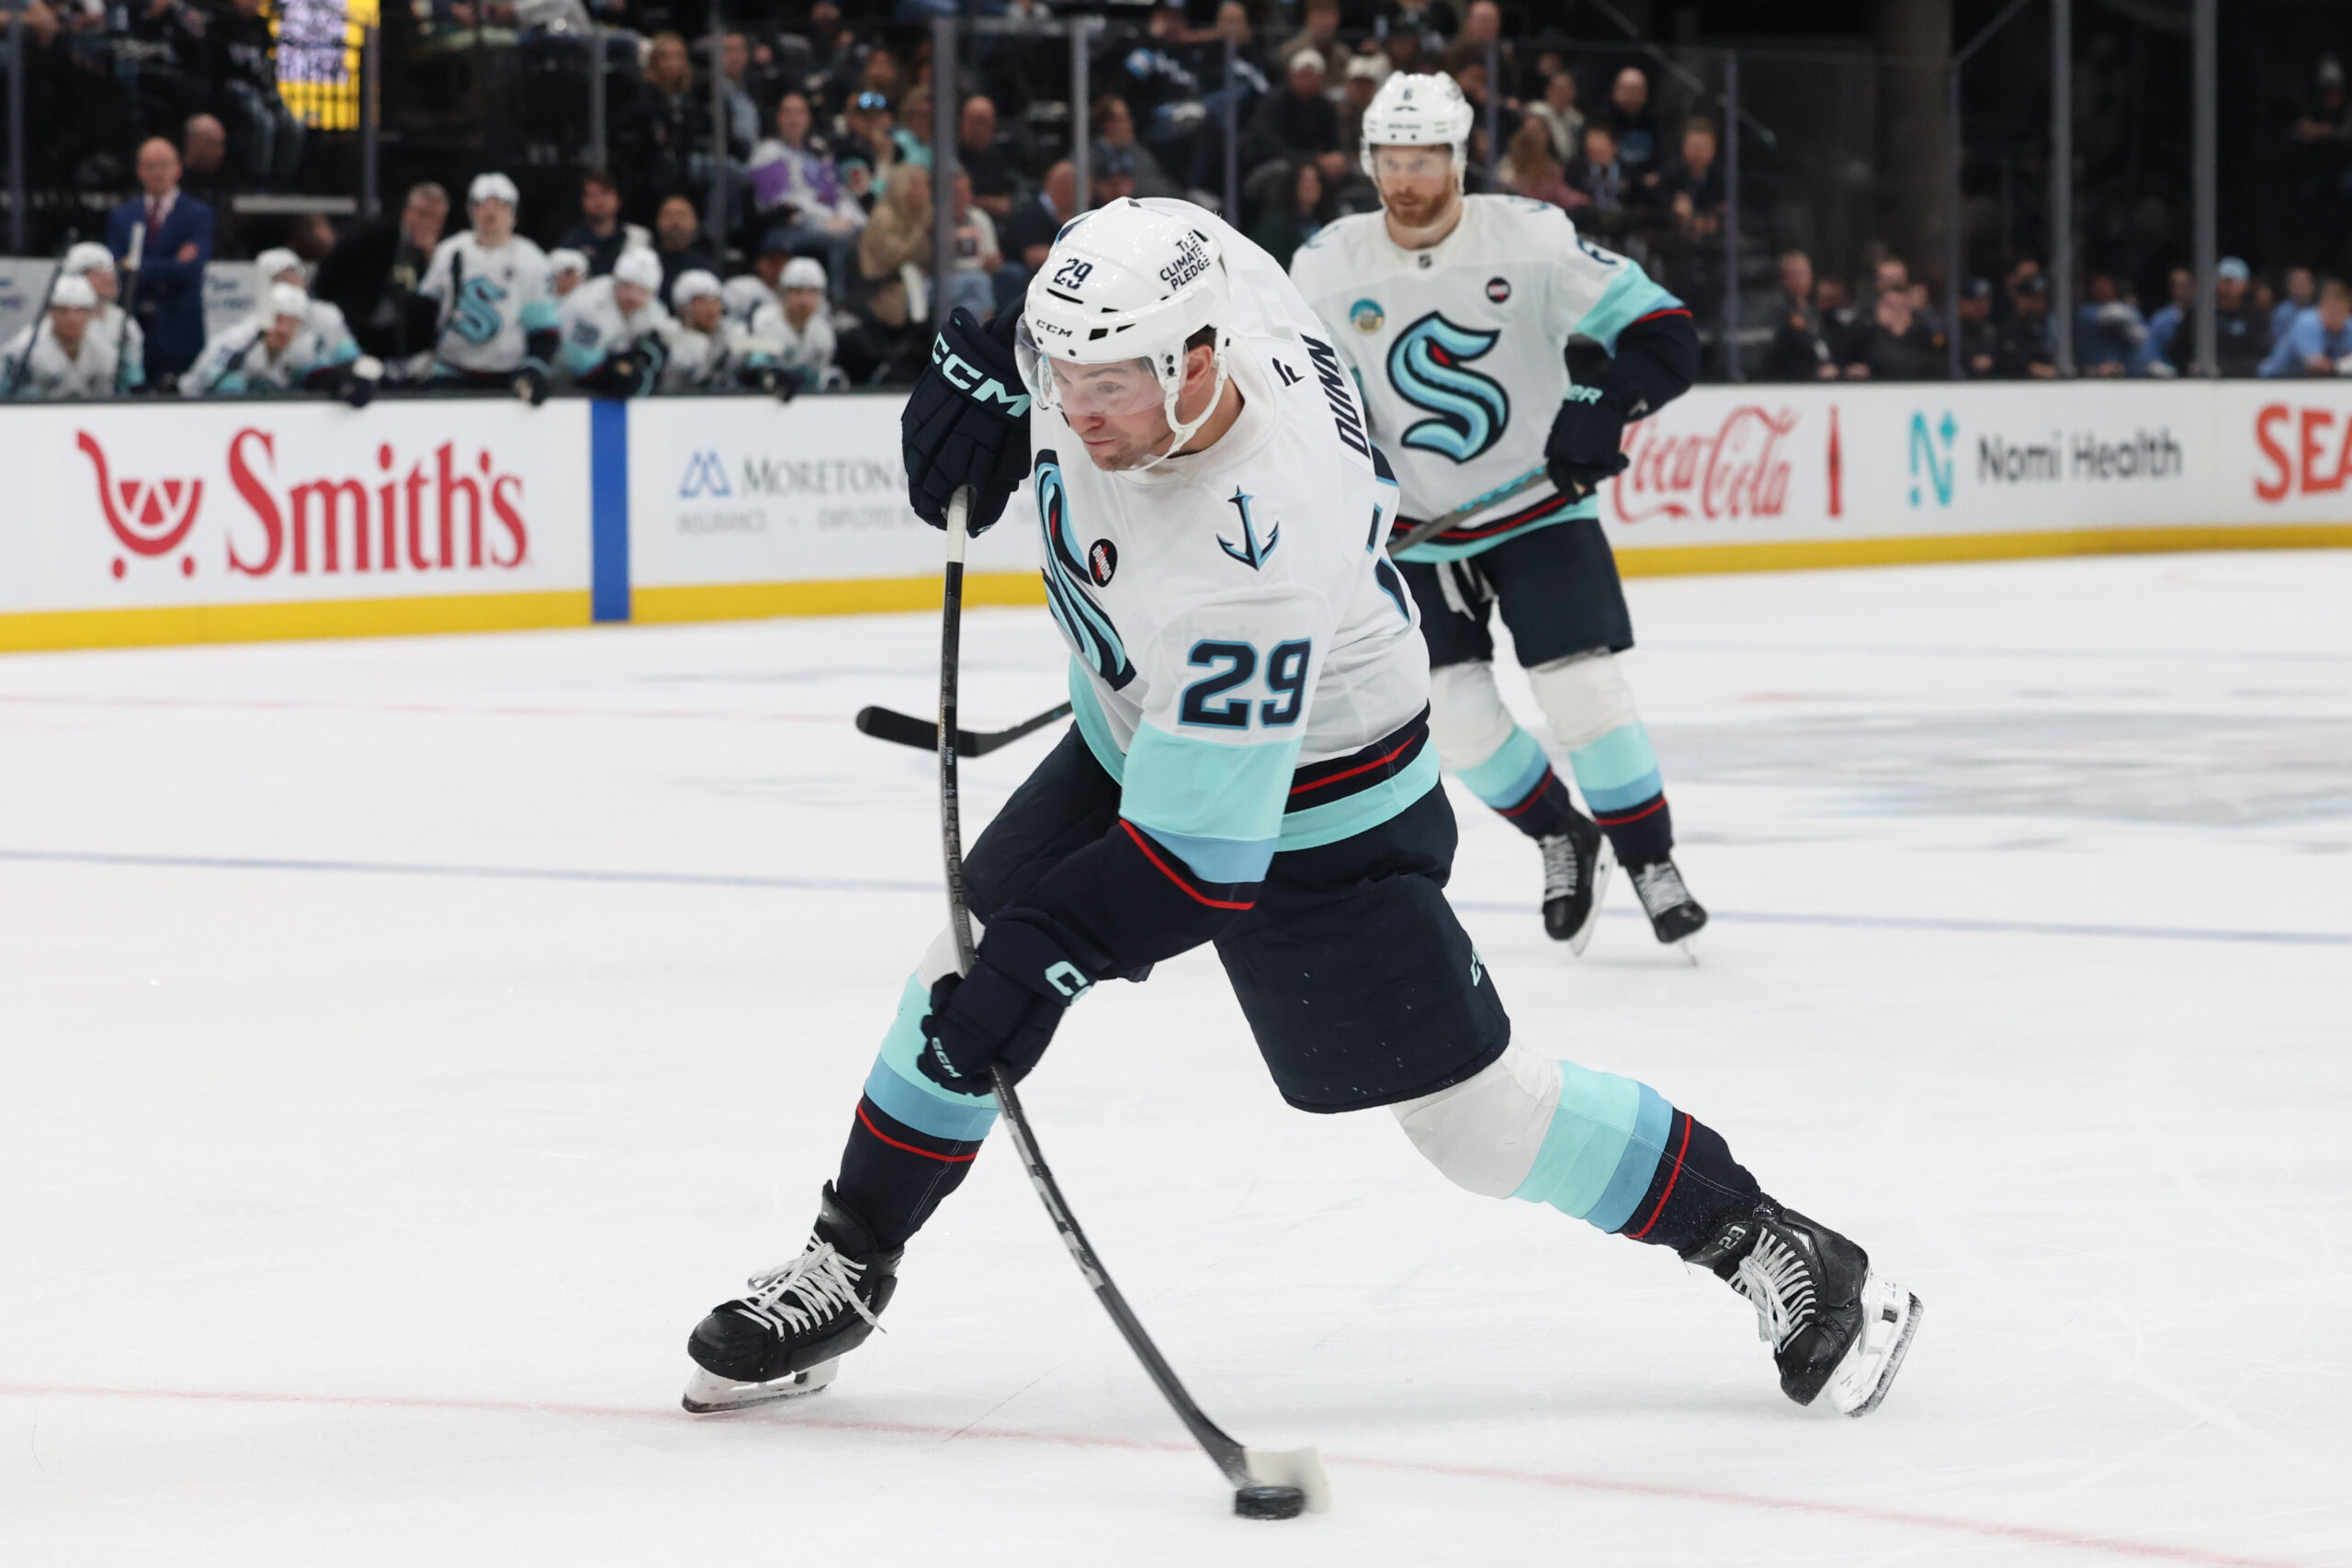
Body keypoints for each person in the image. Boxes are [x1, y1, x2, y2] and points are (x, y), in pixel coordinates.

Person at [677, 197, 1923, 1427]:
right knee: (946, 974)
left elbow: (1193, 866)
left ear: (1197, 361)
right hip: (1139, 732)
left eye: (1107, 383)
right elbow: (1137, 262)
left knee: (1476, 1122)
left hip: (1323, 802)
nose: (1076, 410)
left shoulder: (1254, 547)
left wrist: (1042, 961)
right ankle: (847, 1261)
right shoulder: (1186, 285)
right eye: (1062, 375)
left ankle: (1774, 1238)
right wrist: (999, 360)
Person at [1290, 73, 1710, 953]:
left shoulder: (1531, 239)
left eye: (1424, 159)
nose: (1405, 179)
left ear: (1459, 158)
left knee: (1581, 690)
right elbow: (1297, 400)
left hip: (1537, 507)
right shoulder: (1327, 266)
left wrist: (1603, 398)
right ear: (1369, 161)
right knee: (1452, 714)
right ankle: (1562, 833)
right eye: (1391, 160)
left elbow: (1664, 329)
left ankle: (1649, 859)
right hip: (1413, 536)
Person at [418, 173, 560, 399]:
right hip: (451, 370)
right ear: (471, 211)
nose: (490, 212)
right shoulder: (450, 251)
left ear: (513, 212)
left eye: (500, 205)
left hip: (509, 376)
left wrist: (534, 367)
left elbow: (544, 327)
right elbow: (425, 309)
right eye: (482, 204)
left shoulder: (532, 258)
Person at [107, 137, 215, 382]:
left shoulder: (198, 214)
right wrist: (171, 264)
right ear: (139, 172)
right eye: (150, 166)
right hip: (134, 329)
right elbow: (117, 268)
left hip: (180, 332)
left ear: (178, 169)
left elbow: (190, 269)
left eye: (164, 165)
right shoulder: (122, 215)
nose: (158, 172)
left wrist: (137, 264)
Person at [312, 181, 448, 363]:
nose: (427, 222)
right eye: (422, 214)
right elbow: (329, 272)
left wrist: (432, 258)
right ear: (407, 212)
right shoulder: (374, 235)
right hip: (360, 331)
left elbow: (438, 299)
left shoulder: (446, 253)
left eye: (434, 217)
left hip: (407, 343)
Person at [183, 282, 361, 396]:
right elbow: (204, 380)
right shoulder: (237, 340)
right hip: (198, 400)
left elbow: (320, 375)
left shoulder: (305, 344)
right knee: (232, 382)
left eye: (291, 323)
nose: (283, 329)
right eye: (278, 320)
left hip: (267, 410)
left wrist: (343, 383)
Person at [556, 246, 671, 397]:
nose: (633, 297)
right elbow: (580, 365)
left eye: (642, 291)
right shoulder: (588, 306)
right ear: (616, 281)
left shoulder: (653, 309)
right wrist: (626, 366)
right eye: (627, 286)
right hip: (561, 381)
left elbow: (660, 345)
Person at [1, 276, 125, 399]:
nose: (71, 319)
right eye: (62, 311)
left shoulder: (107, 348)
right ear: (51, 313)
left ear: (90, 313)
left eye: (79, 311)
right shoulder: (21, 350)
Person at [660, 269, 780, 393]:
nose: (711, 309)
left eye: (715, 301)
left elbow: (754, 364)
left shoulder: (732, 333)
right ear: (683, 306)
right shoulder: (667, 336)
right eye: (701, 302)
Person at [58, 243, 147, 393]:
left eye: (111, 270)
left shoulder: (125, 324)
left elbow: (134, 382)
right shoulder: (59, 323)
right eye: (98, 273)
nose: (110, 278)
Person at [2171, 257, 2269, 378]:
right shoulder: (2200, 313)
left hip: (2242, 383)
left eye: (2233, 281)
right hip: (2200, 382)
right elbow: (2177, 349)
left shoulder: (2255, 317)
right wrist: (2189, 365)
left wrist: (2225, 370)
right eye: (2224, 280)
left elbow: (2261, 355)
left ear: (2245, 285)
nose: (2228, 285)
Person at [254, 246, 357, 358]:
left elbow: (348, 356)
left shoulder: (328, 313)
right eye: (280, 278)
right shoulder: (255, 320)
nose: (290, 282)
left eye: (294, 274)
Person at [759, 256, 839, 391]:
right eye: (797, 292)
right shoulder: (764, 324)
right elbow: (757, 371)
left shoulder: (823, 331)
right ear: (783, 293)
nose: (804, 300)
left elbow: (822, 374)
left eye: (812, 292)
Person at [1760, 249, 1836, 381]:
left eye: (1805, 273)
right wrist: (1813, 372)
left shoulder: (1815, 313)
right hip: (1794, 384)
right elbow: (1777, 358)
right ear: (1783, 279)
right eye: (1795, 274)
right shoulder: (1776, 314)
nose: (1802, 279)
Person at [2258, 276, 2352, 377]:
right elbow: (2315, 364)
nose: (2335, 315)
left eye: (2339, 311)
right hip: (2274, 379)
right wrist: (2342, 365)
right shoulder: (2307, 322)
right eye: (2331, 310)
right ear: (2321, 307)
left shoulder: (2348, 325)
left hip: (2311, 382)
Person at [558, 171, 638, 278]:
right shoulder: (571, 241)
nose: (599, 201)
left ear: (618, 200)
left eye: (605, 193)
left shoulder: (637, 238)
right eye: (592, 195)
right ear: (582, 202)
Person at [1249, 161, 1327, 270]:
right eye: (1304, 181)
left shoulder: (1326, 222)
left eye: (1315, 181)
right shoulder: (1275, 226)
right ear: (1292, 185)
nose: (1310, 186)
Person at [956, 95, 1018, 221]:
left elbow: (1018, 194)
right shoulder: (951, 157)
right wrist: (987, 203)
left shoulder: (1004, 155)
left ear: (993, 124)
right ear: (962, 123)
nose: (978, 128)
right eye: (974, 121)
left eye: (983, 122)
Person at [2074, 272, 2145, 378]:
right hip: (2093, 373)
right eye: (2098, 285)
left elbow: (2142, 339)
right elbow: (2101, 318)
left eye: (2106, 285)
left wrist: (2127, 316)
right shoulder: (2084, 313)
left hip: (2126, 372)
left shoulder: (2129, 311)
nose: (2102, 289)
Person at [652, 194, 722, 299]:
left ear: (695, 222)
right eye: (668, 215)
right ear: (658, 221)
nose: (675, 221)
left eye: (682, 215)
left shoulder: (706, 270)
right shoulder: (646, 263)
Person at [1993, 271, 2058, 378]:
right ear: (2020, 298)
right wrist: (2029, 368)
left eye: (2041, 298)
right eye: (2032, 298)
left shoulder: (2051, 328)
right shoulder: (2006, 329)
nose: (2037, 303)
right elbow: (2003, 362)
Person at [2270, 265, 2316, 348]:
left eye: (2304, 283)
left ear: (2312, 286)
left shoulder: (2319, 311)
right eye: (2297, 283)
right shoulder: (2282, 312)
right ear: (2289, 286)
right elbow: (2278, 342)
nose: (2301, 287)